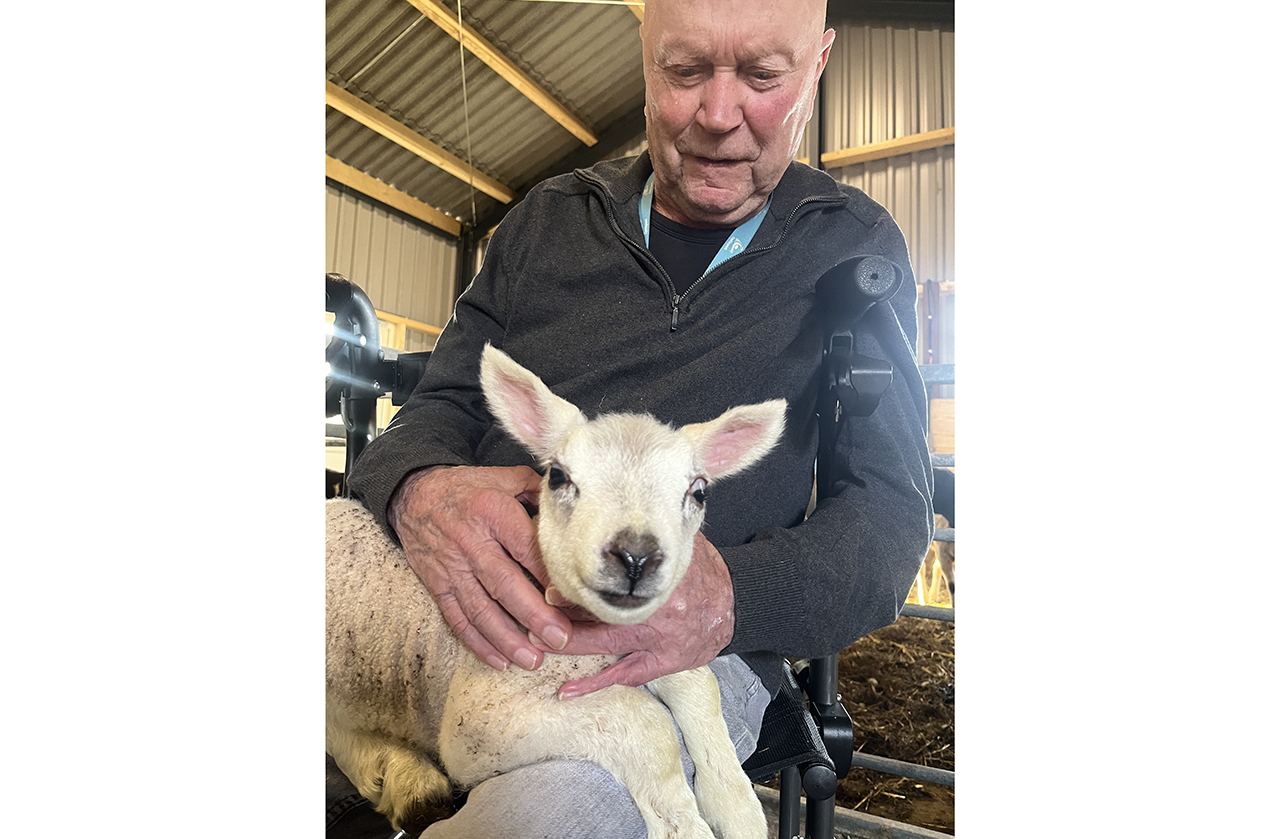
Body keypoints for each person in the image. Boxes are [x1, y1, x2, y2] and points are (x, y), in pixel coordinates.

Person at [332, 0, 934, 835]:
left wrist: (729, 595)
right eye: (684, 70)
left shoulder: (852, 247)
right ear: (643, 57)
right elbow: (438, 405)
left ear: (819, 62)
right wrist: (421, 486)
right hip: (471, 609)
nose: (719, 116)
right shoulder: (546, 220)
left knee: (545, 818)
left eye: (763, 75)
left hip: (698, 647)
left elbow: (891, 517)